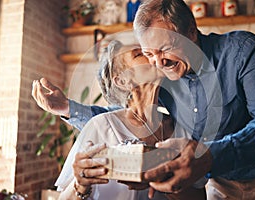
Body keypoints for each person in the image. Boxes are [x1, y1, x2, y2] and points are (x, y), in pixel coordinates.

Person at [32, 0, 255, 199]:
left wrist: (208, 156)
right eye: (148, 54)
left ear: (192, 31)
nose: (159, 62)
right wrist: (67, 108)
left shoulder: (239, 50)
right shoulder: (167, 75)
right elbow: (127, 118)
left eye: (166, 48)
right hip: (218, 187)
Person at [44, 40, 206, 200]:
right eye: (138, 54)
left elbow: (200, 196)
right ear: (122, 81)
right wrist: (80, 186)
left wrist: (163, 180)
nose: (151, 56)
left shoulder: (181, 130)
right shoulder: (101, 125)